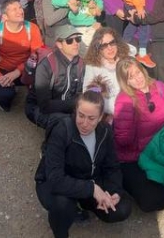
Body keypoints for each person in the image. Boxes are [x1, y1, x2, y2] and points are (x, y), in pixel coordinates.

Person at [34, 91, 132, 238]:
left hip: (90, 178)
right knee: (62, 205)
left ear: (100, 118)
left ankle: (83, 205)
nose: (84, 123)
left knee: (122, 208)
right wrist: (91, 189)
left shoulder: (105, 131)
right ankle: (61, 231)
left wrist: (114, 191)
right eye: (81, 115)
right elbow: (55, 179)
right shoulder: (62, 130)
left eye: (91, 118)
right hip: (57, 182)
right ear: (76, 111)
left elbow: (112, 166)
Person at [113, 57, 164, 213]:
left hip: (162, 148)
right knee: (154, 201)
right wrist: (131, 115)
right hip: (134, 157)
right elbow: (123, 141)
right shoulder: (124, 100)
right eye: (130, 77)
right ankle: (126, 183)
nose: (137, 79)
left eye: (137, 72)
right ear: (125, 82)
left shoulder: (158, 87)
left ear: (142, 69)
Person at [27, 27, 88, 129]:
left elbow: (83, 90)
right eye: (69, 40)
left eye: (78, 39)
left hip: (67, 106)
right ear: (59, 44)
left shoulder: (81, 63)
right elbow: (44, 105)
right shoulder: (46, 65)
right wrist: (77, 103)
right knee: (66, 125)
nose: (76, 43)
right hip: (38, 108)